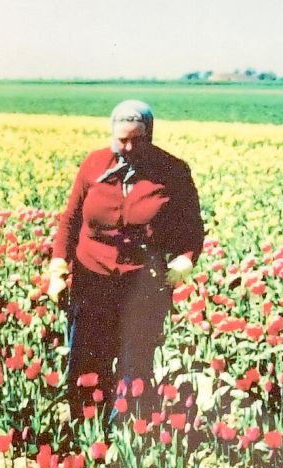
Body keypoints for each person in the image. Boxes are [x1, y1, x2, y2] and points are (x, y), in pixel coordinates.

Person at [47, 99, 204, 428]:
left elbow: (191, 232)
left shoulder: (173, 172)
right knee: (87, 362)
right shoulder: (94, 165)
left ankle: (125, 438)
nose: (129, 147)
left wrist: (182, 264)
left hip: (142, 283)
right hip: (91, 280)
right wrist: (58, 269)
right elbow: (69, 222)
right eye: (122, 139)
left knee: (135, 366)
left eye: (138, 139)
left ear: (150, 134)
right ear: (111, 135)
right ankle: (87, 432)